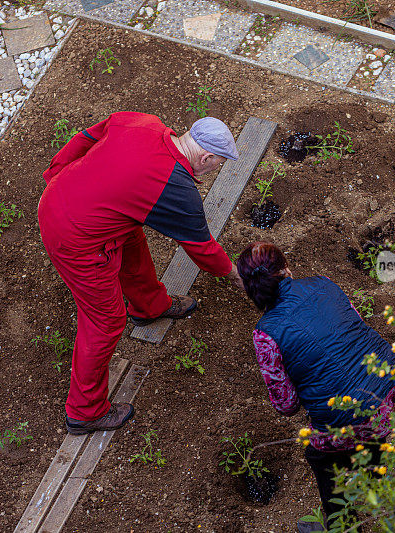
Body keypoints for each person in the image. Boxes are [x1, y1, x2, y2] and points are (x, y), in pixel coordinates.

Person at [38, 112, 243, 435]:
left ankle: (151, 306)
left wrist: (56, 173)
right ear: (206, 156)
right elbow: (201, 248)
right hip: (73, 237)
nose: (215, 169)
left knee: (132, 235)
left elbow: (88, 136)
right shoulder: (175, 188)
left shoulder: (144, 123)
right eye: (218, 163)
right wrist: (235, 274)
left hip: (69, 200)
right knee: (105, 320)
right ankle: (85, 411)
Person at [236, 242, 395, 532]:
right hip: (393, 382)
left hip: (346, 418)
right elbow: (356, 324)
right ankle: (370, 474)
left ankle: (342, 524)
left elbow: (286, 404)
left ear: (248, 289)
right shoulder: (324, 284)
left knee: (322, 459)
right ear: (286, 269)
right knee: (373, 433)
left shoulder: (266, 333)